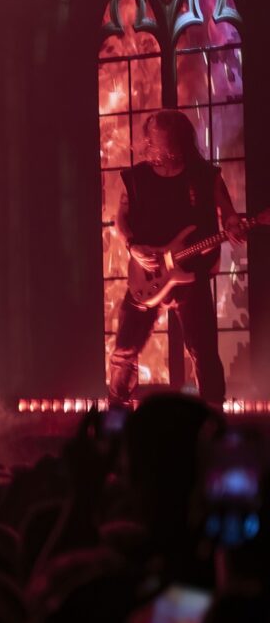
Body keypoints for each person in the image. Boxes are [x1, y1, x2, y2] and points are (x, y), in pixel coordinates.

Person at [110, 108, 250, 405]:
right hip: (146, 275)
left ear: (178, 141)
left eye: (162, 142)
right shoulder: (135, 178)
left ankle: (212, 414)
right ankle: (117, 411)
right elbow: (120, 219)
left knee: (203, 352)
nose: (154, 148)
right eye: (152, 140)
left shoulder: (205, 176)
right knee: (124, 352)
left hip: (191, 276)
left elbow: (228, 214)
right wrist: (133, 246)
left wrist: (233, 226)